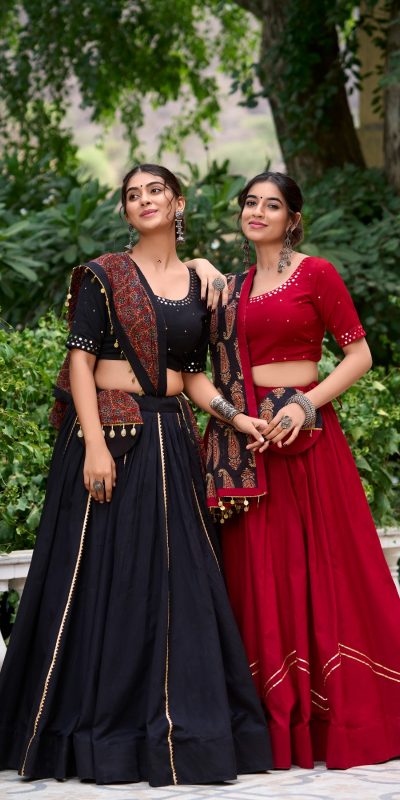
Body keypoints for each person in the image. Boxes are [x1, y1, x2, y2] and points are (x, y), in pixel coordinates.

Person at [0, 164, 273, 786]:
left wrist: (237, 418)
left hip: (172, 440)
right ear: (125, 212)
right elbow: (79, 362)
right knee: (104, 584)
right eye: (132, 195)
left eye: (155, 191)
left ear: (178, 202)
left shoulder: (200, 284)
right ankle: (94, 734)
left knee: (177, 587)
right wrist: (94, 445)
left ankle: (178, 732)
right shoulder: (105, 275)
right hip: (111, 442)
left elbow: (192, 375)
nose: (144, 200)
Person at [195, 171, 400, 771]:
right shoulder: (227, 288)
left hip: (308, 442)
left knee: (326, 570)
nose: (258, 212)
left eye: (272, 205)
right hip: (249, 445)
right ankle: (274, 720)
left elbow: (358, 354)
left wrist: (306, 404)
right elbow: (190, 350)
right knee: (262, 574)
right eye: (250, 203)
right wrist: (201, 263)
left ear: (292, 218)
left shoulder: (316, 275)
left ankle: (344, 716)